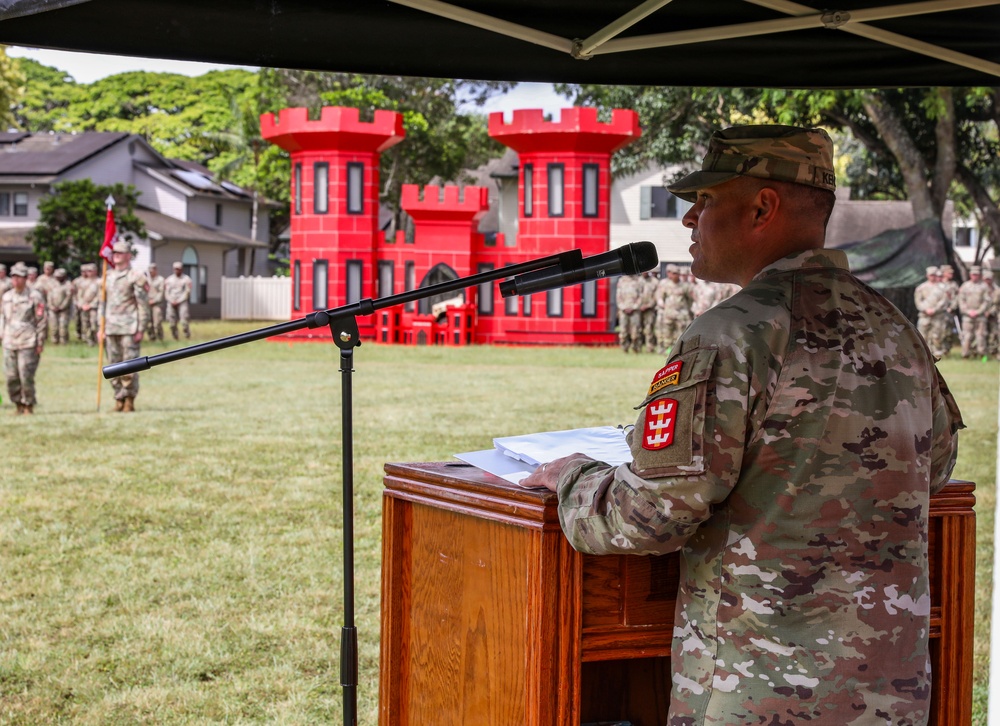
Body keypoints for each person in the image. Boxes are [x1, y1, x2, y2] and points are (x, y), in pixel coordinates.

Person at [523, 125, 963, 725]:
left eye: (705, 200)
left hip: (759, 689)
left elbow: (653, 514)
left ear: (762, 207)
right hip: (886, 693)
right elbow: (933, 465)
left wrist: (573, 478)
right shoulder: (895, 326)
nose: (689, 220)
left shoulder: (732, 332)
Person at [99, 241, 150, 412]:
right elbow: (102, 304)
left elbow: (143, 304)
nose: (116, 255)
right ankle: (118, 398)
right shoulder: (108, 276)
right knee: (113, 364)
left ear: (129, 255)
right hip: (111, 327)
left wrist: (141, 328)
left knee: (130, 365)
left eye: (121, 252)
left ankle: (129, 399)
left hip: (129, 327)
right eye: (114, 252)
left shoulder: (135, 276)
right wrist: (101, 328)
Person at [0, 262, 46, 414]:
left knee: (25, 375)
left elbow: (41, 320)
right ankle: (17, 403)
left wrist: (40, 342)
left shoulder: (34, 296)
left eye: (19, 277)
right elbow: (2, 317)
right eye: (13, 277)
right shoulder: (6, 296)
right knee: (11, 376)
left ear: (25, 279)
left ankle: (28, 404)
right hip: (9, 341)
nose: (16, 281)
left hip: (28, 341)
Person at [654, 263, 692, 354]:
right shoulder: (665, 284)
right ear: (670, 274)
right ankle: (667, 350)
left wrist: (687, 310)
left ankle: (679, 351)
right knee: (667, 332)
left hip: (681, 314)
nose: (676, 275)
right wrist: (662, 304)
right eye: (674, 273)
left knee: (681, 333)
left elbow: (689, 299)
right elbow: (659, 297)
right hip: (668, 313)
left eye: (677, 273)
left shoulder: (685, 286)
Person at [914, 266, 950, 357]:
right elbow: (918, 302)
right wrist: (926, 310)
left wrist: (934, 310)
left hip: (937, 316)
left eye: (934, 275)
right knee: (922, 336)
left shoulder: (942, 288)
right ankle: (922, 355)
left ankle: (936, 355)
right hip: (924, 315)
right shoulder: (921, 288)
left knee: (937, 336)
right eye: (931, 275)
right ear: (927, 275)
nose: (932, 277)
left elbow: (944, 301)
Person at [957, 265, 990, 358]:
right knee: (966, 336)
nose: (974, 276)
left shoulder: (984, 286)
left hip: (980, 316)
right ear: (970, 275)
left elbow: (986, 301)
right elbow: (961, 300)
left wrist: (978, 312)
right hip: (967, 317)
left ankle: (983, 356)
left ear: (979, 275)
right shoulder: (965, 286)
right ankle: (965, 355)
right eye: (973, 274)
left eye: (976, 274)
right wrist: (968, 312)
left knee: (981, 336)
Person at [164, 261, 192, 339]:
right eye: (175, 269)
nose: (177, 271)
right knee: (171, 322)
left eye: (178, 269)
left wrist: (178, 301)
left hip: (182, 301)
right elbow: (166, 292)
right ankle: (175, 337)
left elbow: (187, 292)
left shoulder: (186, 279)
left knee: (184, 321)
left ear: (181, 269)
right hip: (171, 301)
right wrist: (171, 300)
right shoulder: (169, 279)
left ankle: (187, 335)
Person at [615, 274, 642, 353]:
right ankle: (624, 349)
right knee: (623, 331)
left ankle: (636, 349)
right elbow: (618, 296)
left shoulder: (638, 280)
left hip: (635, 310)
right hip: (623, 310)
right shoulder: (621, 280)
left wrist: (634, 307)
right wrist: (623, 307)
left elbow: (640, 296)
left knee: (636, 331)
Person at [47, 268, 74, 344]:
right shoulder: (52, 284)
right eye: (56, 276)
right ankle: (54, 341)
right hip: (53, 309)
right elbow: (49, 296)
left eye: (59, 276)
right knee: (53, 327)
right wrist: (51, 306)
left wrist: (61, 307)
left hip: (64, 310)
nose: (57, 278)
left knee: (63, 327)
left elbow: (68, 298)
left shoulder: (68, 284)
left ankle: (63, 342)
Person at [75, 263, 100, 345]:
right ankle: (88, 340)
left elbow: (100, 295)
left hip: (94, 307)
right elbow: (79, 295)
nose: (89, 273)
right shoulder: (83, 282)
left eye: (90, 271)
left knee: (94, 324)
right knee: (85, 324)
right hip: (84, 306)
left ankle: (96, 340)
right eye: (87, 271)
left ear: (95, 271)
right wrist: (82, 304)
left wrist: (91, 305)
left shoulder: (99, 282)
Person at [146, 262, 166, 341]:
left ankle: (160, 338)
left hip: (157, 304)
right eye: (149, 271)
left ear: (156, 270)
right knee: (148, 323)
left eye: (152, 271)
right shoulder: (146, 280)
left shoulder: (161, 280)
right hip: (147, 304)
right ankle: (152, 338)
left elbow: (161, 293)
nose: (151, 272)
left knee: (157, 323)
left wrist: (153, 301)